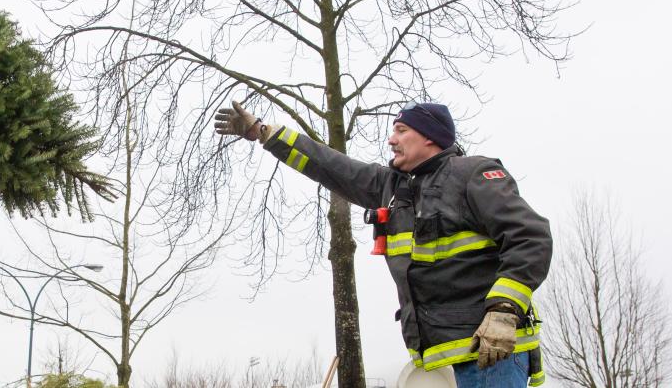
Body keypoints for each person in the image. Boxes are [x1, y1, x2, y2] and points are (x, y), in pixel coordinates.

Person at [215, 100, 551, 388]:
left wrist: (505, 311)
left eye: (402, 131)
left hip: (492, 354)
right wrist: (263, 132)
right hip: (440, 359)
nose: (391, 140)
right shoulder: (393, 188)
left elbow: (529, 237)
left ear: (431, 137)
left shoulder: (472, 175)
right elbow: (330, 166)